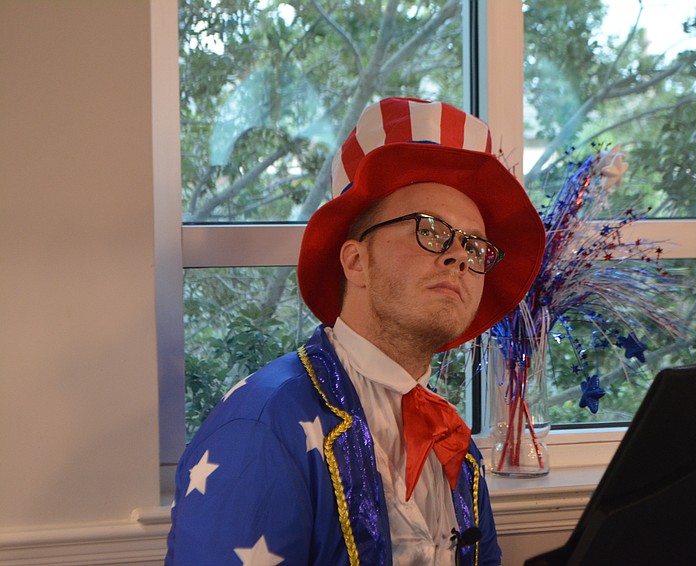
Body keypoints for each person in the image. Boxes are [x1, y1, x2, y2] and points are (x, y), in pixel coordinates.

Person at [166, 97, 545, 565]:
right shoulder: (262, 427)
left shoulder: (454, 440)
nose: (459, 257)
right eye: (431, 230)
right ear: (356, 261)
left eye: (475, 245)